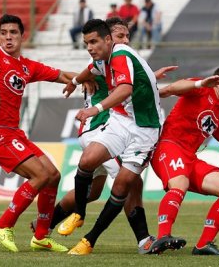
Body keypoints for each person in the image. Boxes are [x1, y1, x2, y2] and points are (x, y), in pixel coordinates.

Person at [0, 14, 77, 253]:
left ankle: (41, 236)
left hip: (14, 133)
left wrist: (84, 80)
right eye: (3, 32)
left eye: (13, 32)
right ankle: (3, 224)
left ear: (21, 36)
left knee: (53, 175)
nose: (8, 37)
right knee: (39, 175)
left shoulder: (26, 66)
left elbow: (61, 75)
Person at [60, 18, 163, 255]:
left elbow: (125, 89)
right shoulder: (103, 59)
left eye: (94, 41)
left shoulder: (120, 55)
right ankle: (79, 215)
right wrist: (75, 81)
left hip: (145, 130)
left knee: (122, 185)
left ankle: (89, 240)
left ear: (108, 40)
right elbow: (90, 69)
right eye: (86, 43)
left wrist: (95, 109)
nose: (90, 47)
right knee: (87, 160)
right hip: (121, 120)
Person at [150, 65, 219, 255]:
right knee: (181, 182)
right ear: (218, 80)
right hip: (168, 146)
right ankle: (163, 237)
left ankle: (204, 244)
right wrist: (199, 83)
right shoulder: (201, 88)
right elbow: (169, 90)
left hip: (190, 157)